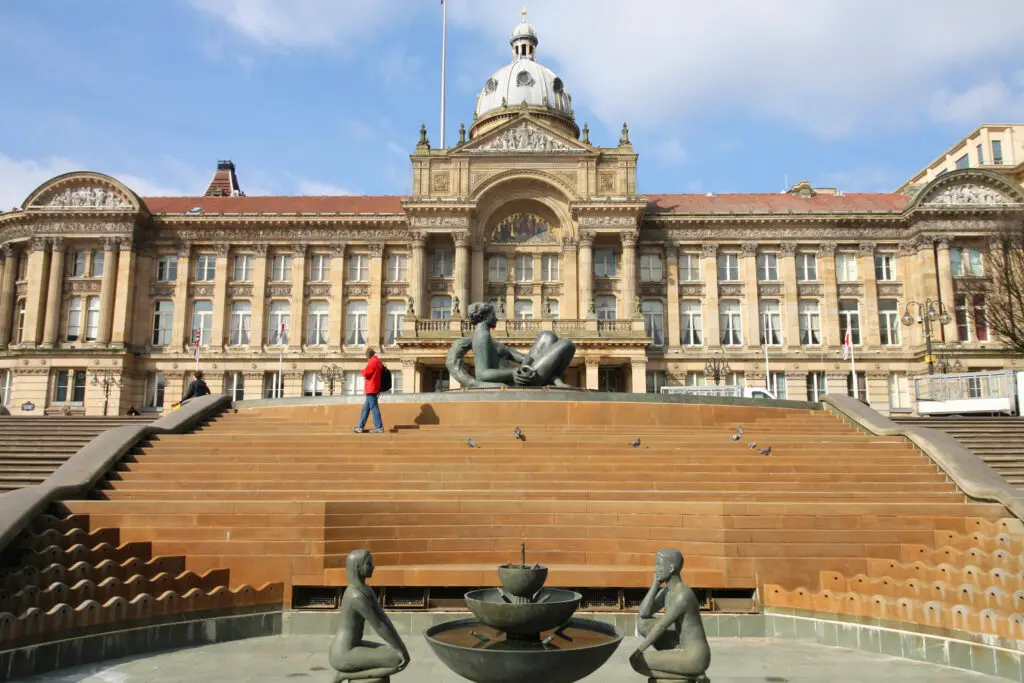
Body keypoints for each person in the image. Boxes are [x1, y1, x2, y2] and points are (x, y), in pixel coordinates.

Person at [629, 548, 711, 680]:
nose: (655, 569)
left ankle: (694, 675)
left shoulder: (682, 595)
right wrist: (655, 584)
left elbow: (660, 626)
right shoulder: (668, 591)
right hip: (680, 646)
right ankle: (690, 674)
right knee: (643, 623)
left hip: (695, 656)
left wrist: (639, 651)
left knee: (638, 662)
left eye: (659, 564)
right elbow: (644, 612)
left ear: (671, 568)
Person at [328, 549, 409, 681]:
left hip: (354, 645)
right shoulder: (356, 596)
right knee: (396, 660)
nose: (373, 567)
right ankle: (344, 675)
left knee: (395, 653)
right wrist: (401, 651)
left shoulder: (366, 589)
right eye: (369, 564)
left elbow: (383, 618)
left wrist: (400, 647)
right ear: (358, 567)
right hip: (342, 654)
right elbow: (379, 626)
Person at [352, 348, 384, 434]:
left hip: (371, 388)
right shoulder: (378, 362)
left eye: (366, 354)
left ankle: (379, 427)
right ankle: (360, 427)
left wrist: (362, 371)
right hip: (375, 387)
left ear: (368, 354)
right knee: (366, 408)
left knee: (374, 408)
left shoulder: (372, 361)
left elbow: (367, 373)